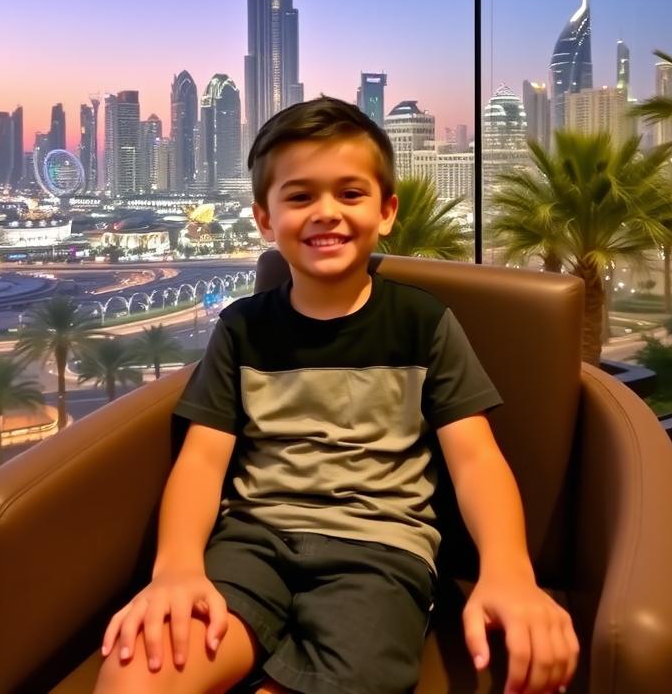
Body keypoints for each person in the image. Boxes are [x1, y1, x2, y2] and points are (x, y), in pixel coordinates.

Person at [95, 96, 578, 694]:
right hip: (251, 541)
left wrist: (508, 570)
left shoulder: (421, 323)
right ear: (265, 221)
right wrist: (174, 570)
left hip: (380, 552)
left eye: (350, 194)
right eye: (300, 197)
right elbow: (201, 460)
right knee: (137, 671)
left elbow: (476, 459)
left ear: (386, 211)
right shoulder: (243, 327)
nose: (327, 212)